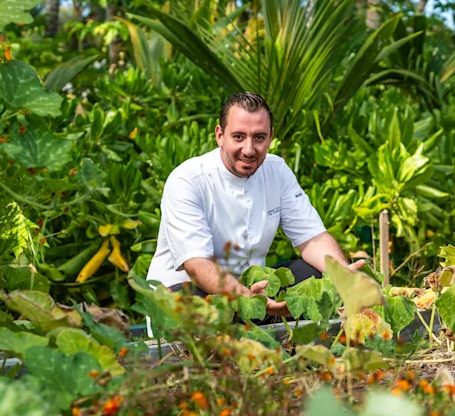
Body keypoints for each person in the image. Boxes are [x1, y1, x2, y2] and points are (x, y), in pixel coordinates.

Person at [146, 92, 363, 316]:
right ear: (220, 136)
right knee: (188, 303)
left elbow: (312, 238)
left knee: (314, 275)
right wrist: (250, 299)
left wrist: (345, 276)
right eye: (238, 137)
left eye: (259, 137)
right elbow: (198, 266)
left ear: (270, 137)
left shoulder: (276, 170)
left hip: (257, 289)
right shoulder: (187, 180)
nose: (249, 150)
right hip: (192, 290)